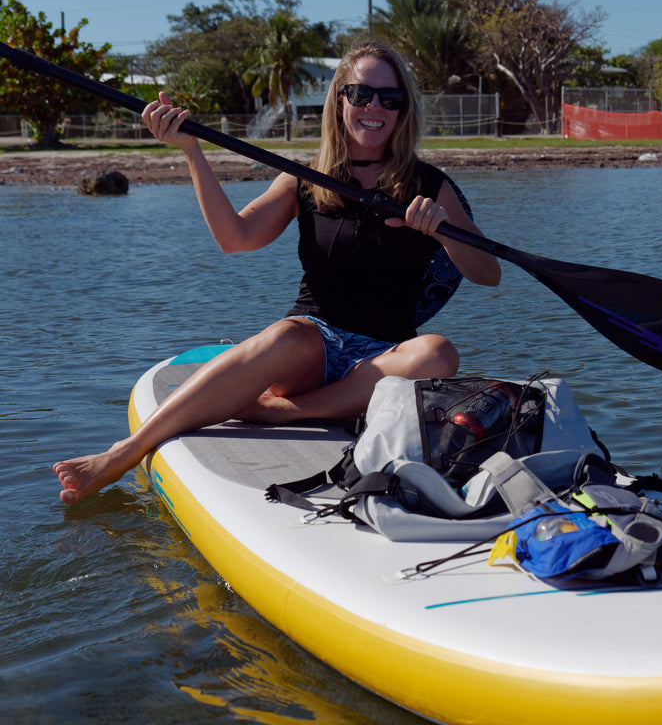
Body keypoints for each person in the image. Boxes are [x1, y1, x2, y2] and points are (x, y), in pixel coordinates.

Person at [53, 39, 501, 505]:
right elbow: (235, 237)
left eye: (390, 98)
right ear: (339, 100)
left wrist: (445, 231)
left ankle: (282, 412)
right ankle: (122, 453)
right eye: (361, 94)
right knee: (284, 337)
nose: (374, 108)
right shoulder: (303, 177)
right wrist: (191, 150)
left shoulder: (428, 184)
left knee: (438, 354)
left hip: (385, 358)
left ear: (403, 110)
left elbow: (489, 273)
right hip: (312, 347)